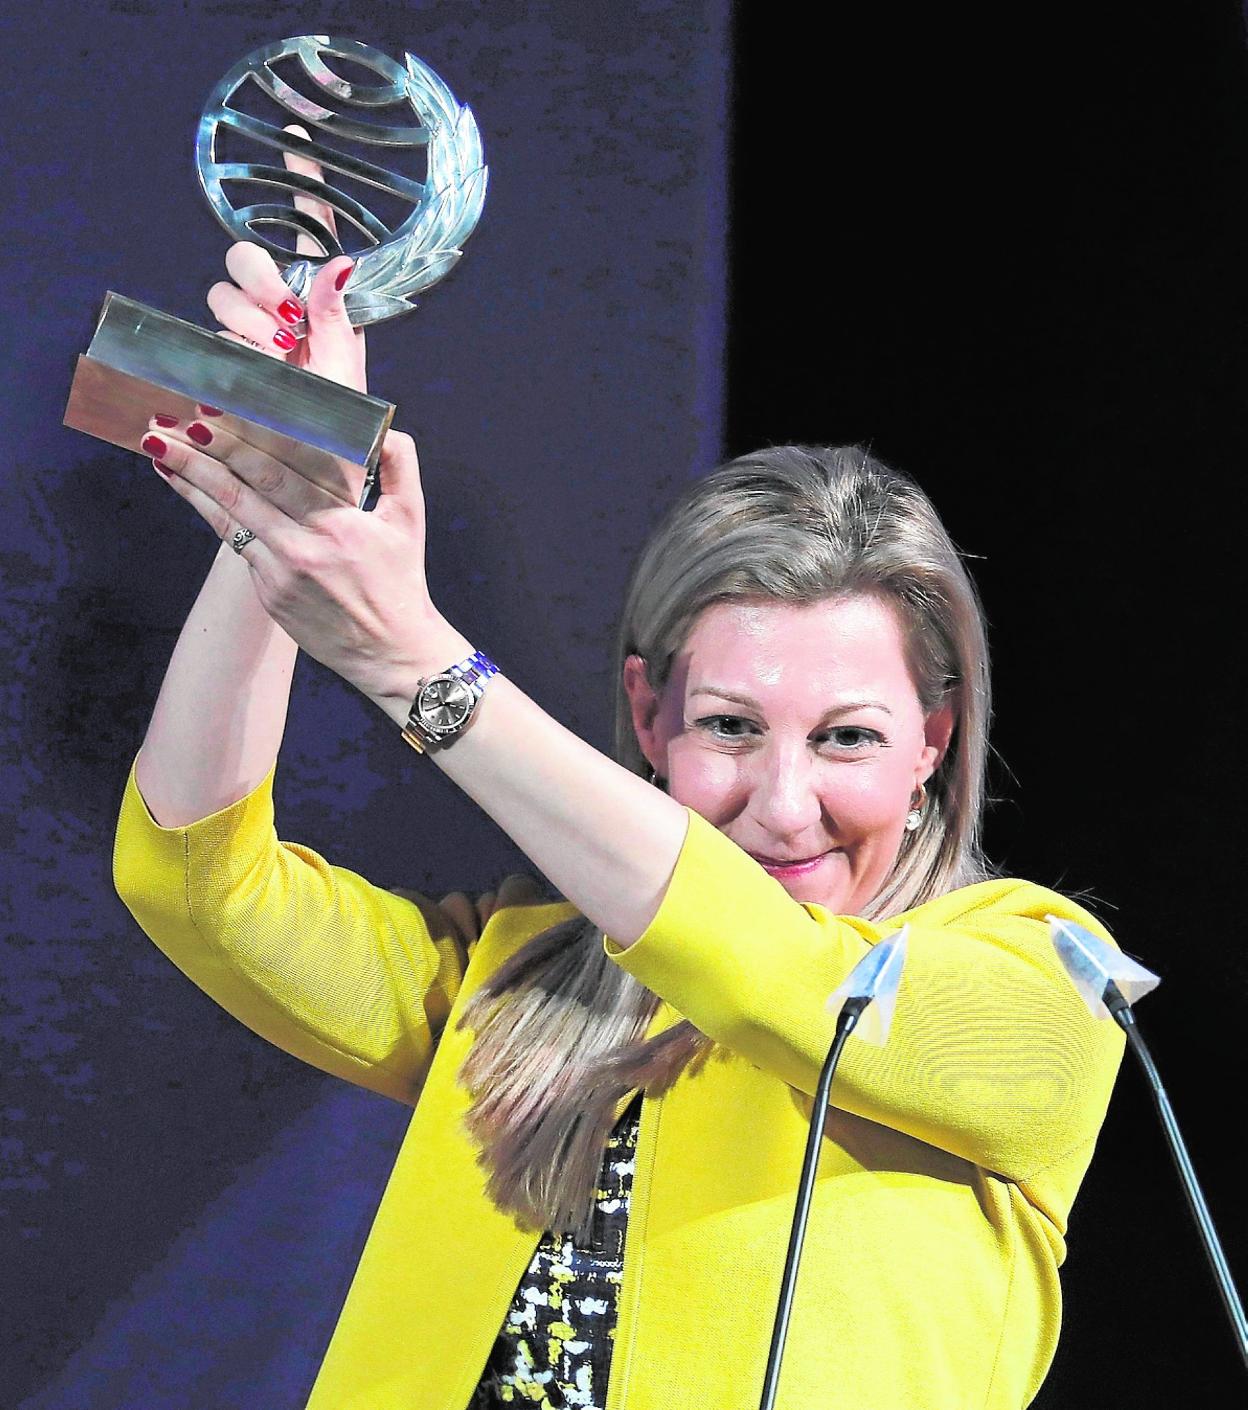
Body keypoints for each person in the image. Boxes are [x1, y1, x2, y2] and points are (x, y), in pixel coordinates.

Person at [113, 237, 1125, 1410]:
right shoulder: (514, 979)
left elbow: (777, 980)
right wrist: (282, 509)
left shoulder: (1044, 987)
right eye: (731, 728)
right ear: (650, 713)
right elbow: (198, 882)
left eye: (846, 736)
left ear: (932, 749)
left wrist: (413, 662)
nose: (783, 804)